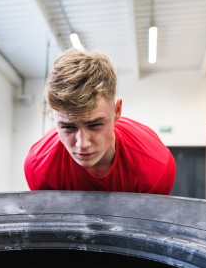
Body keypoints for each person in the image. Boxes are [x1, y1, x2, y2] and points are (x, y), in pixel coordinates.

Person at [24, 48, 176, 194]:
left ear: (117, 111)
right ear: (55, 117)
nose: (82, 144)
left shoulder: (156, 167)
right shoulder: (39, 166)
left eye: (95, 125)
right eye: (68, 127)